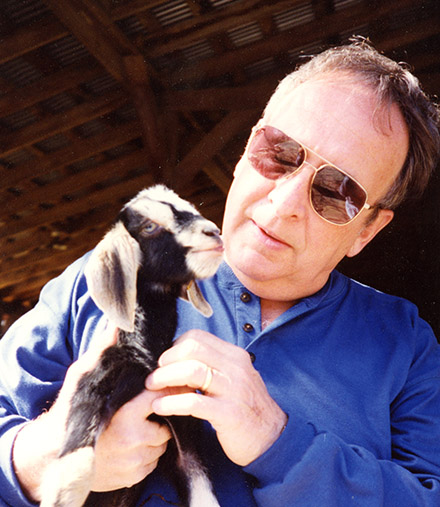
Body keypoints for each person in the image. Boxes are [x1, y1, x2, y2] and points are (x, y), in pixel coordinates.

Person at [1, 39, 440, 506]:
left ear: (366, 231)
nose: (284, 202)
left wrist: (277, 441)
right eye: (280, 152)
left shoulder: (407, 345)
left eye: (337, 192)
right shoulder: (114, 274)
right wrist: (51, 455)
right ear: (247, 147)